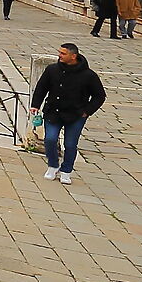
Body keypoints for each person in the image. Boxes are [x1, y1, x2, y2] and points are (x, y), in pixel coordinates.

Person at [29, 42, 105, 185]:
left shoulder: (88, 75)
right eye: (60, 52)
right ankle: (53, 165)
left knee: (70, 145)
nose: (59, 55)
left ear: (73, 56)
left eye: (63, 53)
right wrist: (35, 105)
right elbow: (41, 88)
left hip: (76, 115)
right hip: (53, 112)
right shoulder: (52, 70)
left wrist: (87, 111)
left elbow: (99, 96)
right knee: (50, 139)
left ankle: (66, 171)